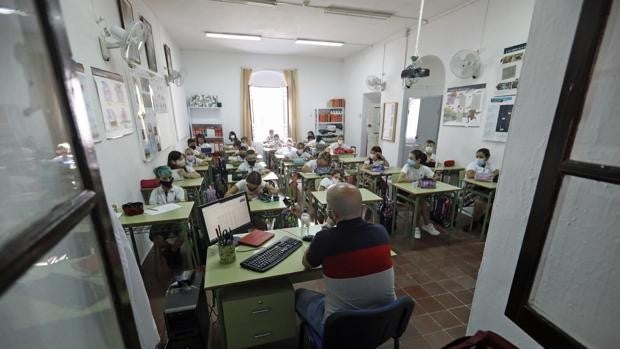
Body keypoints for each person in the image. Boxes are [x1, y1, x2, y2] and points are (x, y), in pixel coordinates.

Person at [296, 183, 396, 337]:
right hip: (383, 322)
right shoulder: (381, 232)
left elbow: (306, 263)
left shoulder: (325, 239)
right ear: (361, 207)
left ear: (333, 214)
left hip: (340, 329)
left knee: (300, 295)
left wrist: (327, 227)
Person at [148, 166, 188, 269]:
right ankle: (170, 251)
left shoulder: (179, 190)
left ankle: (173, 251)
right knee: (156, 237)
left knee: (184, 232)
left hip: (176, 221)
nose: (168, 180)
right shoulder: (155, 192)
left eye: (170, 177)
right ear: (159, 179)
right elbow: (153, 207)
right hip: (160, 222)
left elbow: (181, 204)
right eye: (164, 178)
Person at [397, 149, 441, 238]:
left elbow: (435, 177)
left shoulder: (424, 168)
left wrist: (435, 176)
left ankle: (418, 226)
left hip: (418, 194)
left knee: (420, 202)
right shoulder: (407, 167)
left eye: (411, 158)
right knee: (421, 201)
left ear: (418, 160)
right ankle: (425, 225)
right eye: (409, 158)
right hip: (404, 193)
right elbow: (400, 179)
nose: (408, 160)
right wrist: (416, 180)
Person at [465, 148, 500, 230]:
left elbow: (497, 171)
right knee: (480, 201)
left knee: (496, 198)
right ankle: (475, 222)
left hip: (485, 189)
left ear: (487, 158)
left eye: (481, 157)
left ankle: (484, 219)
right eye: (477, 156)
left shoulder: (489, 165)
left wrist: (483, 175)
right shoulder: (473, 164)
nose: (478, 159)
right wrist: (488, 176)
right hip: (472, 189)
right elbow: (470, 174)